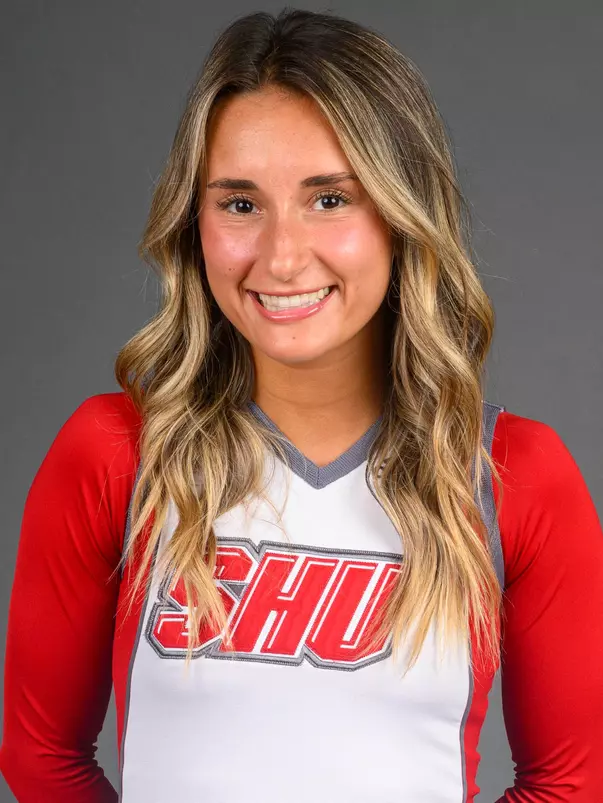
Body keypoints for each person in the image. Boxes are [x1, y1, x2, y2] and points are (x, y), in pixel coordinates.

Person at [1, 8, 602, 802]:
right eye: (239, 204)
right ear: (194, 223)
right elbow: (41, 756)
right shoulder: (116, 453)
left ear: (401, 214)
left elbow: (569, 782)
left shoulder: (512, 477)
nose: (281, 257)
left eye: (329, 199)